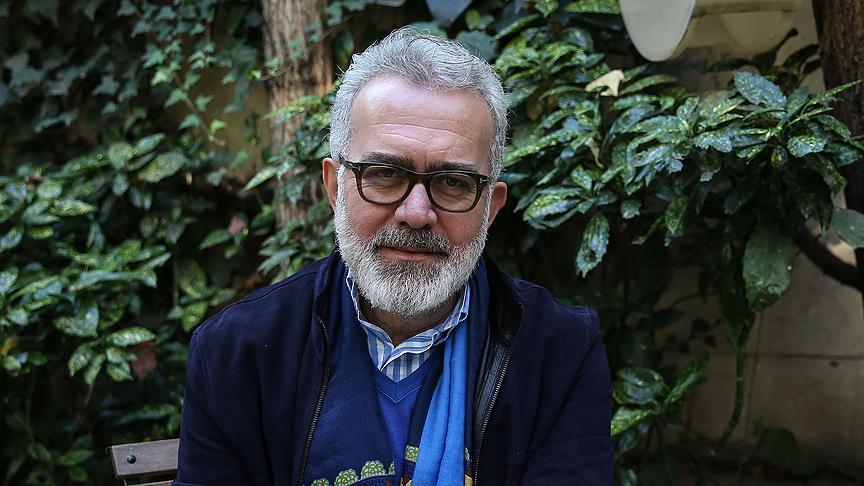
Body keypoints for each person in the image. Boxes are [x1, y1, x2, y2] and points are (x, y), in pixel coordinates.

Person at [175, 28, 613, 486]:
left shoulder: (560, 352)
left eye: (453, 183)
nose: (417, 214)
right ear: (334, 186)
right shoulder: (237, 354)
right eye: (385, 174)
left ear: (491, 208)